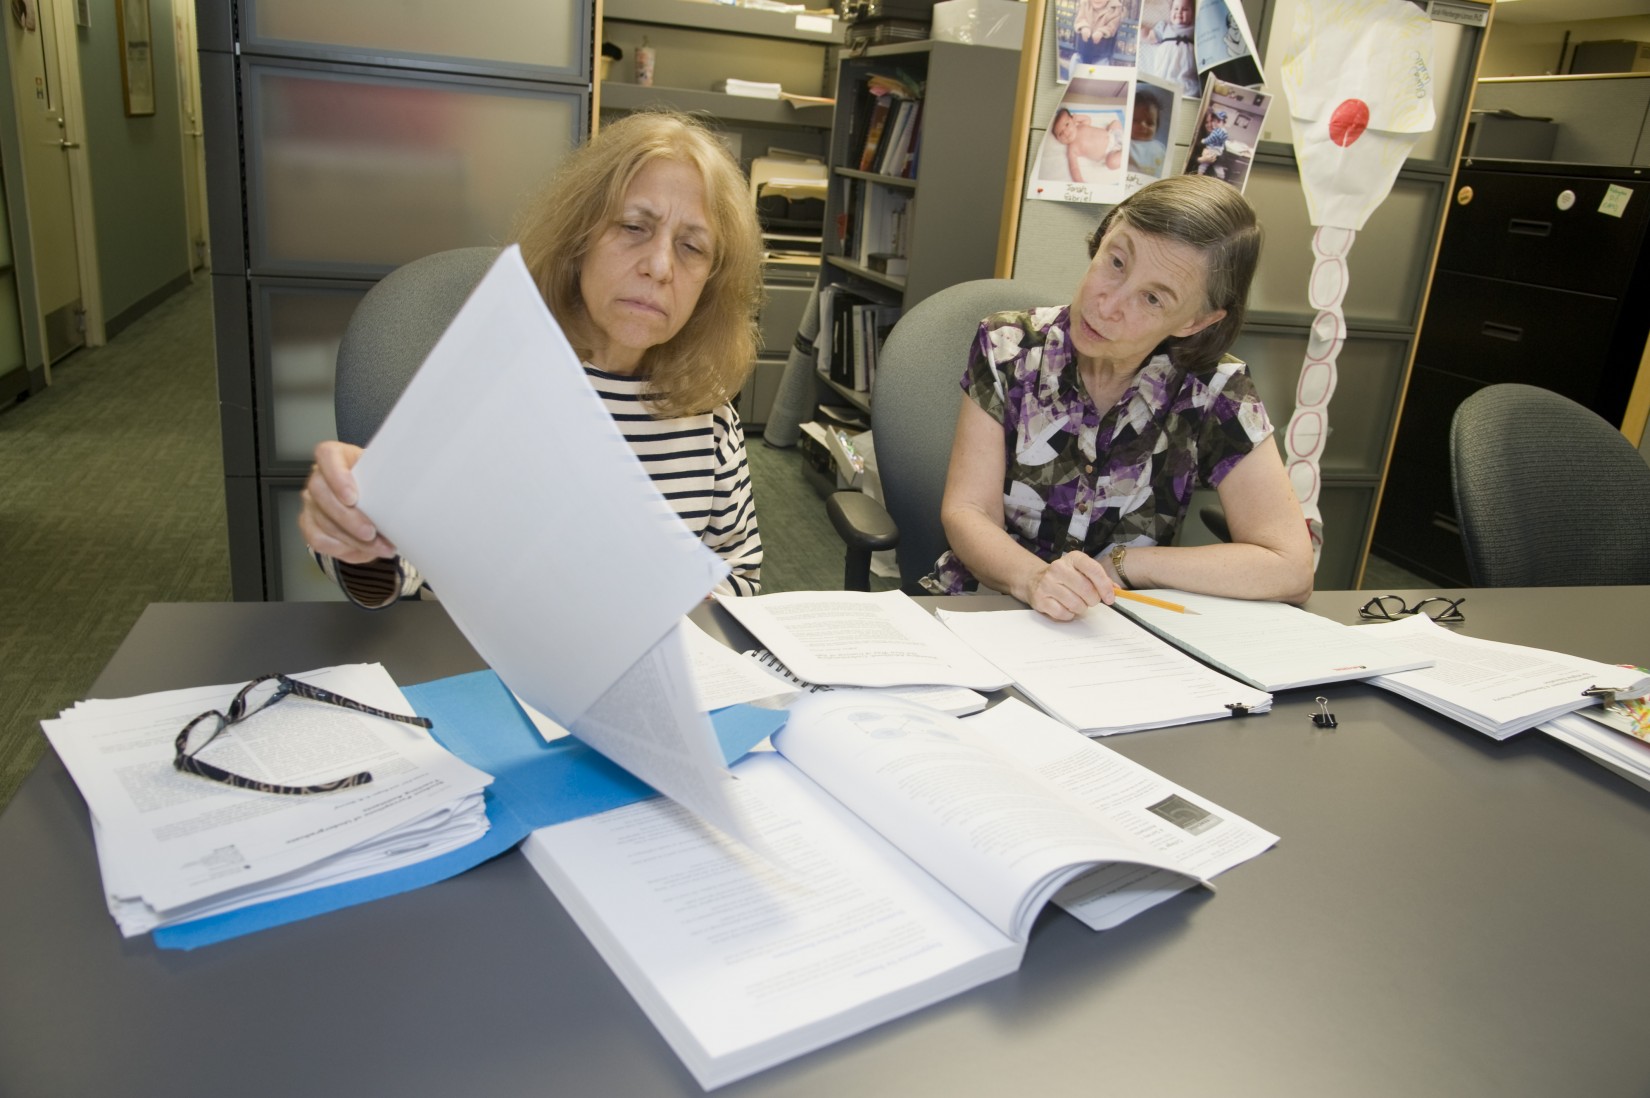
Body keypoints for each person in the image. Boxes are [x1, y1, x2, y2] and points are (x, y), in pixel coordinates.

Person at [299, 110, 766, 606]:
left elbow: (739, 572)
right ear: (579, 239)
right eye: (633, 226)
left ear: (710, 283)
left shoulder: (709, 414)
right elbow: (402, 562)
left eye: (692, 247)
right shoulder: (492, 380)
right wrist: (354, 525)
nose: (659, 267)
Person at [929, 174, 1313, 620]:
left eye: (1152, 298)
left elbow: (1291, 567)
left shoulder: (1215, 391)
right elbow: (967, 509)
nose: (1107, 305)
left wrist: (1124, 564)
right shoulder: (1008, 346)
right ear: (1105, 234)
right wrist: (1035, 579)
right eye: (1115, 262)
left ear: (1195, 321)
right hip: (987, 607)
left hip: (1119, 627)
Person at [1140, 0, 1200, 98]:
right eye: (1176, 8)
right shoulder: (1164, 27)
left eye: (1185, 9)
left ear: (1192, 15)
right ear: (1170, 12)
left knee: (1190, 89)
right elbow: (1149, 36)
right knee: (1162, 84)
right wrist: (1138, 26)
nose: (1179, 12)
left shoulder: (1195, 30)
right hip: (1166, 69)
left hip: (1185, 71)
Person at [1050, 106, 1125, 184]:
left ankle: (1124, 145)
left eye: (1066, 124)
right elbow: (1074, 168)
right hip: (1110, 152)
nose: (1065, 132)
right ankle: (1125, 153)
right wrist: (1079, 181)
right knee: (1111, 163)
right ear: (1058, 140)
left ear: (1072, 120)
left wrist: (1077, 117)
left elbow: (1088, 119)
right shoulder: (1072, 149)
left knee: (1115, 122)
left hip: (1112, 135)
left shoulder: (1081, 126)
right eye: (1060, 133)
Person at [1126, 93, 1168, 178]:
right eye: (1135, 120)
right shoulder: (1125, 142)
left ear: (1157, 127)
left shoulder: (1160, 148)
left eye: (1149, 123)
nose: (1142, 125)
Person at [1072, 0, 1124, 66]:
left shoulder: (1115, 8)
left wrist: (1102, 31)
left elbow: (1112, 26)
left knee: (1102, 65)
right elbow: (1080, 19)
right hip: (1083, 50)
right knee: (1075, 59)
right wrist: (1084, 27)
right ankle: (1072, 76)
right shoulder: (1085, 3)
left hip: (1102, 52)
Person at [1193, 108, 1230, 179]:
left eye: (1213, 121)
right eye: (1207, 122)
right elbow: (1191, 158)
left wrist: (1213, 156)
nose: (1211, 125)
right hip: (1197, 175)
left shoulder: (1219, 136)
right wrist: (1201, 159)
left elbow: (1224, 159)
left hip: (1211, 176)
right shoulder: (1199, 137)